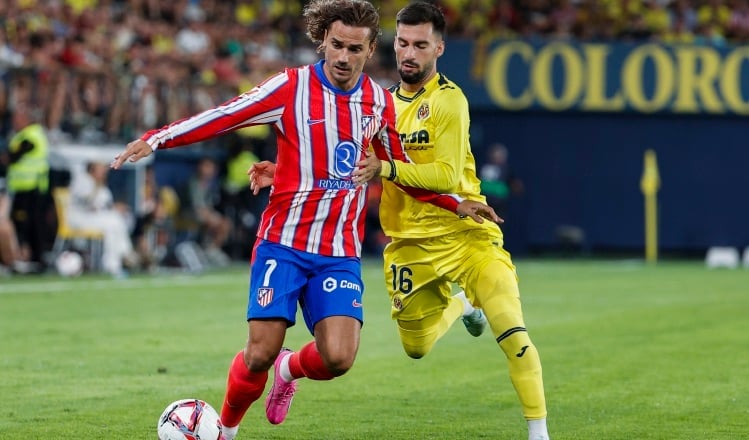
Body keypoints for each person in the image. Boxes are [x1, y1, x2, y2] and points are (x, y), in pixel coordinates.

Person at [110, 1, 497, 439]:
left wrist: (454, 202)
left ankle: (289, 372)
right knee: (258, 353)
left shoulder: (378, 103)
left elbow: (399, 168)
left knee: (339, 358)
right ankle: (227, 432)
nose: (343, 57)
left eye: (354, 49)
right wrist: (155, 139)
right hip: (284, 244)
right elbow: (224, 115)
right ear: (322, 42)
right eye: (336, 46)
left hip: (338, 253)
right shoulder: (288, 88)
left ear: (370, 51)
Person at [250, 3, 550, 439]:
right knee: (416, 347)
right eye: (403, 44)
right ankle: (461, 306)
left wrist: (385, 169)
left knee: (513, 332)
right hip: (409, 245)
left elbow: (446, 176)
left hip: (467, 237)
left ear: (439, 48)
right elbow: (336, 161)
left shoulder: (450, 100)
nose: (409, 54)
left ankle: (539, 431)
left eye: (421, 45)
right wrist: (279, 171)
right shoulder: (377, 104)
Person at [68, 161, 137, 278]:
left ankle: (119, 260)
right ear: (92, 169)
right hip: (78, 218)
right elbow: (88, 202)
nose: (104, 171)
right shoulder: (82, 180)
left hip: (92, 218)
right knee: (112, 223)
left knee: (116, 220)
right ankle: (122, 257)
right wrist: (97, 185)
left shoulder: (101, 185)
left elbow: (105, 205)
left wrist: (116, 207)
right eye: (101, 168)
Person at [6, 104, 50, 271]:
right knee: (23, 224)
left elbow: (13, 157)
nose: (15, 121)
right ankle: (28, 257)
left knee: (32, 225)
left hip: (33, 188)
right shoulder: (23, 135)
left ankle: (36, 258)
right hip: (23, 188)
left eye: (18, 117)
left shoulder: (32, 135)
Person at [479, 142, 524, 218]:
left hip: (499, 208)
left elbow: (515, 184)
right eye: (495, 155)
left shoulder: (507, 170)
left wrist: (517, 187)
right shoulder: (481, 167)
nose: (497, 157)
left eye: (499, 155)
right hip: (482, 204)